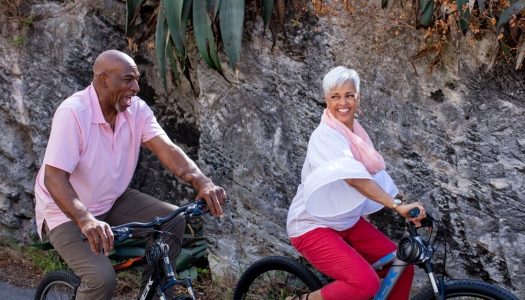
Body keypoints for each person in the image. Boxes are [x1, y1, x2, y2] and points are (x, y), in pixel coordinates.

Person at [34, 49, 227, 300]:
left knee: (172, 220)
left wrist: (202, 181)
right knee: (101, 280)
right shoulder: (74, 112)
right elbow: (54, 178)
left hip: (112, 200)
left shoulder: (137, 110)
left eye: (136, 79)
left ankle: (154, 294)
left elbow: (167, 149)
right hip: (66, 213)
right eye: (128, 79)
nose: (136, 87)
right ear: (103, 79)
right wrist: (86, 220)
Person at [286, 66, 427, 300]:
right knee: (365, 284)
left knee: (403, 267)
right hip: (312, 226)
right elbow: (354, 178)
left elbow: (374, 176)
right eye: (335, 96)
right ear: (326, 100)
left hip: (346, 221)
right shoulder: (325, 136)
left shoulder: (356, 135)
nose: (343, 102)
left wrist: (406, 206)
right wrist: (395, 206)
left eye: (349, 95)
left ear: (357, 97)